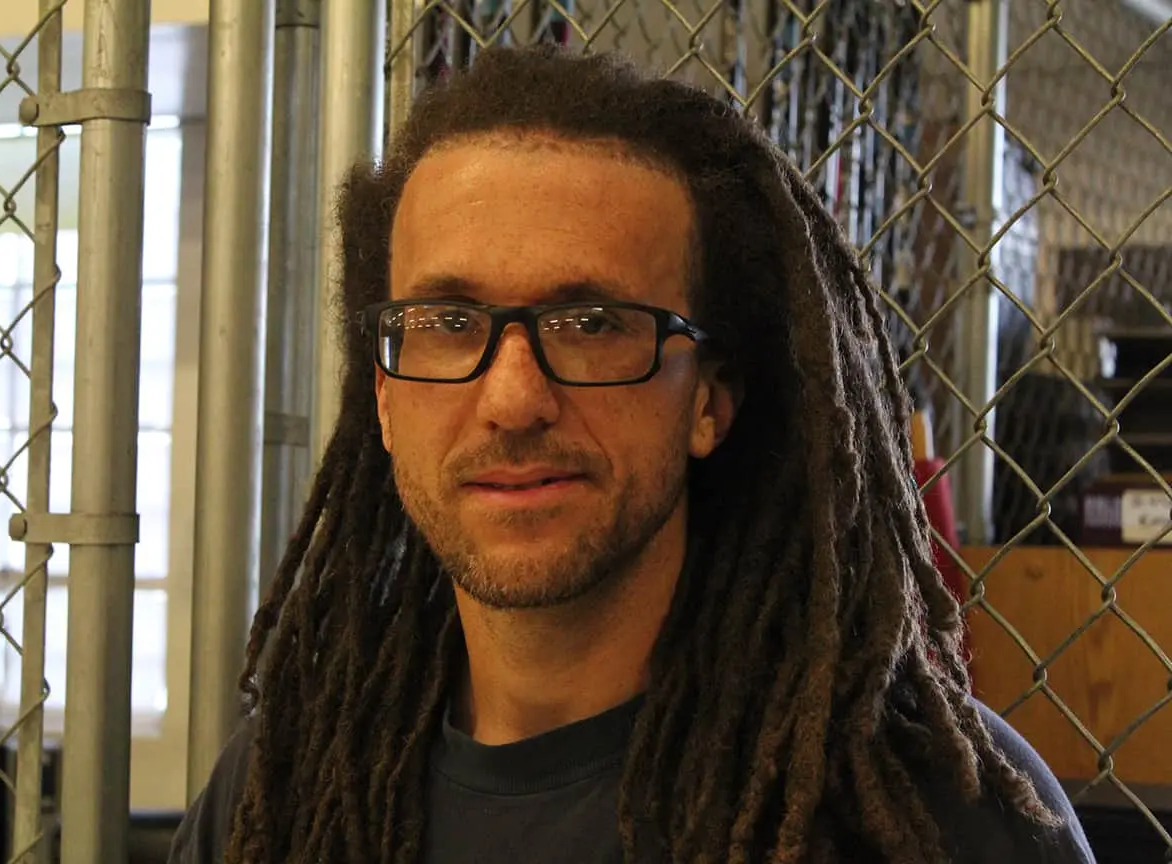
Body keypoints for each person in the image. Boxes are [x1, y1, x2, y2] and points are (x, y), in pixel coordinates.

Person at [170, 46, 1095, 864]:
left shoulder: (938, 813)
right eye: (450, 323)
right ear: (383, 394)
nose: (513, 400)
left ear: (709, 400)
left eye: (591, 324)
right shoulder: (281, 792)